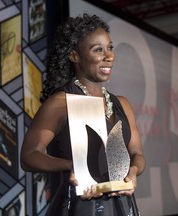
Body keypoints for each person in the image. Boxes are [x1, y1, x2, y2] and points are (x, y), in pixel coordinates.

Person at [20, 13, 146, 216]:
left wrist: (132, 173)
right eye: (98, 50)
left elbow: (137, 155)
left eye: (110, 48)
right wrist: (71, 166)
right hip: (80, 206)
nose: (109, 56)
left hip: (122, 205)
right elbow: (28, 156)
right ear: (74, 56)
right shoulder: (61, 103)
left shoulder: (122, 103)